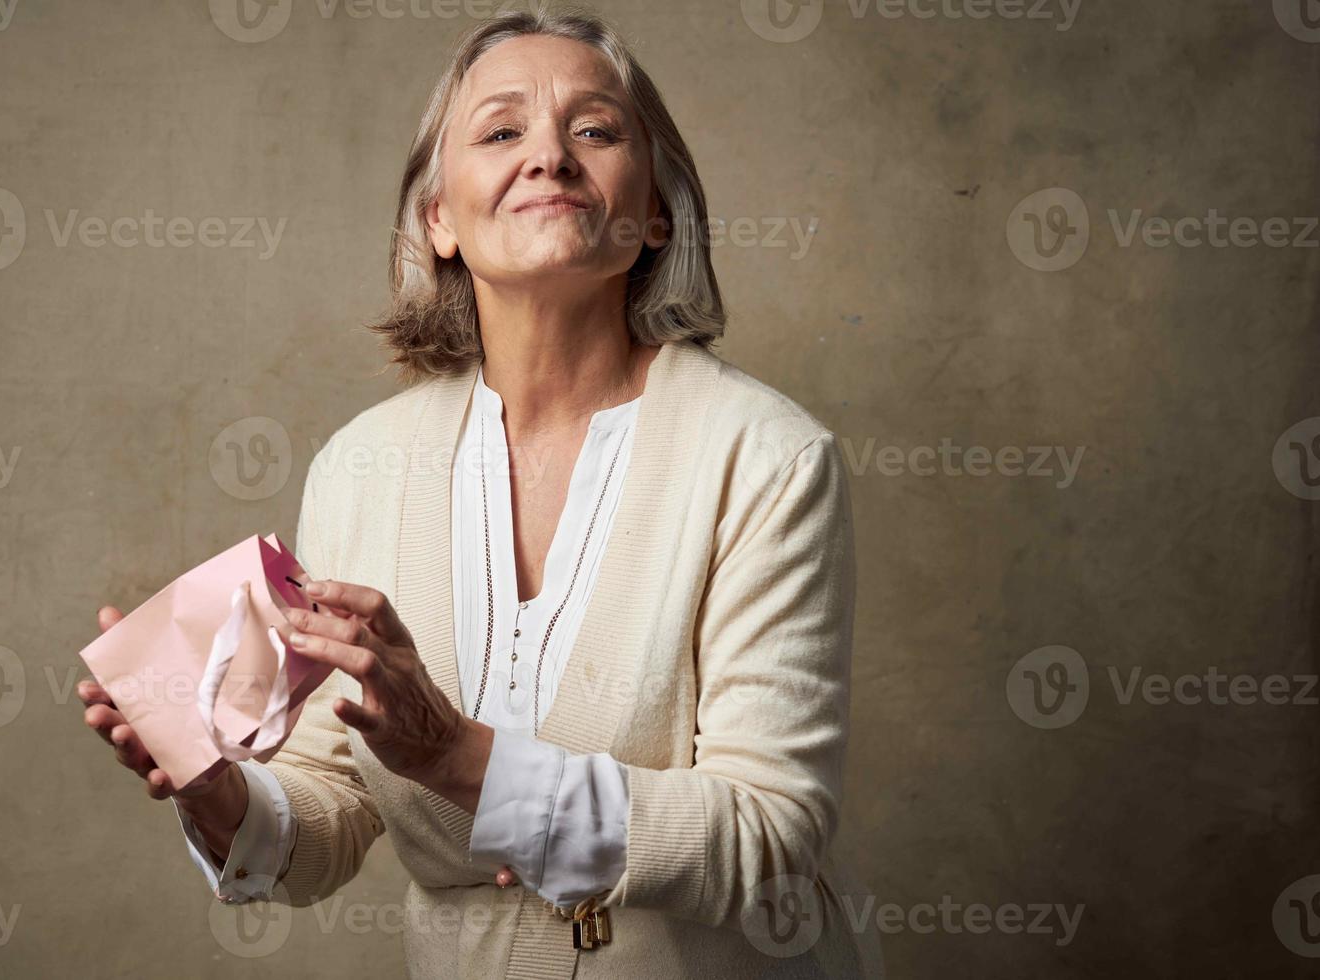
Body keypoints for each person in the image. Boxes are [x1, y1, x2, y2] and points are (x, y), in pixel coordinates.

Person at [78, 7, 877, 977]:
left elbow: (769, 833)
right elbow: (333, 803)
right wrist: (217, 793)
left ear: (656, 209)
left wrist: (456, 752)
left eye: (595, 129)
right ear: (439, 219)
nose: (549, 154)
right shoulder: (361, 465)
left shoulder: (767, 457)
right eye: (502, 131)